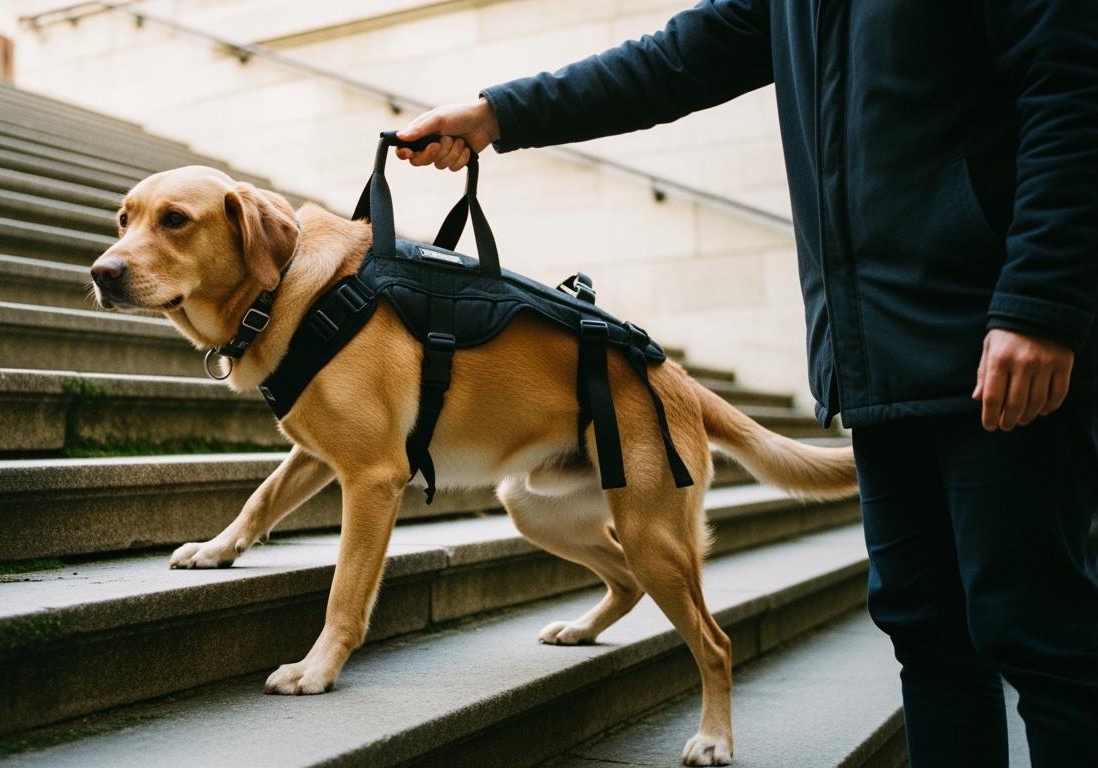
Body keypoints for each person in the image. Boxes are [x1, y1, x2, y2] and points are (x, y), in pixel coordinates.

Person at [391, 1, 1098, 765]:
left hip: (998, 345)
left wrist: (1041, 303)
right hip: (876, 361)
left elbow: (1073, 88)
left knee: (1040, 636)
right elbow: (672, 63)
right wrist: (499, 113)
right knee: (928, 638)